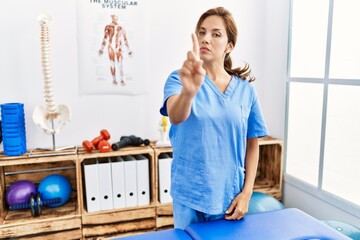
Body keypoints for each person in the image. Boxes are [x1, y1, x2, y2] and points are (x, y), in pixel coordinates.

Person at [159, 7, 268, 229]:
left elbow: (252, 142)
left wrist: (247, 193)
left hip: (229, 195)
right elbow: (176, 116)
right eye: (201, 32)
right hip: (190, 195)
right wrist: (189, 92)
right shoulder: (179, 78)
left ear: (229, 45)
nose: (205, 39)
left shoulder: (246, 91)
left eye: (215, 34)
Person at [99, 14, 132, 86]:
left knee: (120, 64)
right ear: (112, 18)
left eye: (116, 17)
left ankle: (122, 79)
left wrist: (128, 50)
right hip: (111, 47)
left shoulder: (121, 27)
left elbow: (125, 39)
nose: (115, 19)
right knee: (112, 64)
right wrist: (101, 49)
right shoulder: (108, 27)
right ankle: (114, 79)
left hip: (118, 47)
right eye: (113, 17)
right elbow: (105, 38)